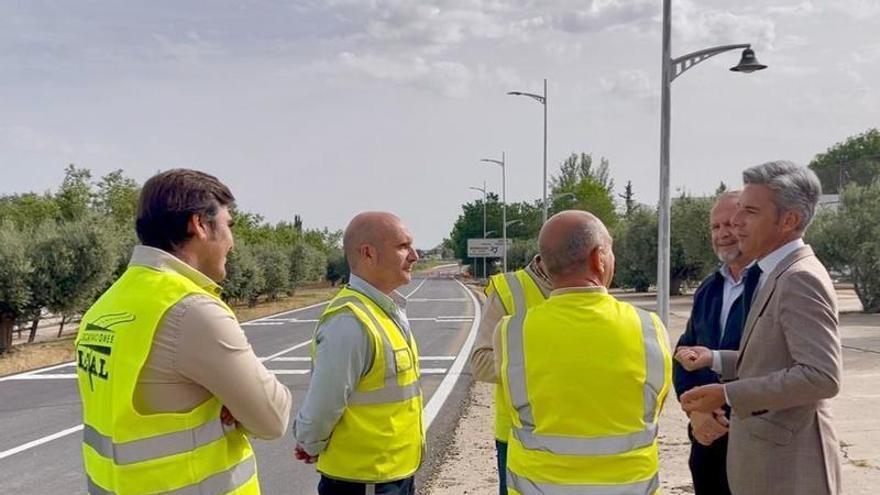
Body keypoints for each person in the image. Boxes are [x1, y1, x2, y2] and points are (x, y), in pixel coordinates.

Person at [75, 169, 292, 495]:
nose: (232, 242)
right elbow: (273, 418)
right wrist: (230, 401)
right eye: (229, 225)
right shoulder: (192, 309)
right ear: (199, 225)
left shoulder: (104, 306)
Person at [678, 161, 842, 495]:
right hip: (763, 465)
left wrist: (726, 393)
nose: (736, 223)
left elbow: (821, 376)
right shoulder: (774, 274)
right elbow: (772, 358)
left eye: (749, 212)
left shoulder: (800, 279)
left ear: (789, 220)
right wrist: (716, 359)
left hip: (789, 471)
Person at [497, 210, 672, 495]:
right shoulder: (648, 328)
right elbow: (654, 407)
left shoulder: (511, 332)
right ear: (598, 258)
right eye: (610, 250)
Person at [293, 211, 423, 495]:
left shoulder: (385, 310)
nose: (414, 255)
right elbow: (324, 403)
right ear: (368, 254)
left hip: (392, 475)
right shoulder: (349, 321)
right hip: (363, 482)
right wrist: (309, 442)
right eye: (403, 246)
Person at [673, 191, 756, 495]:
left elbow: (774, 362)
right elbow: (683, 355)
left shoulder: (773, 285)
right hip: (706, 440)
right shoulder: (709, 288)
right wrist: (696, 412)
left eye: (730, 225)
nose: (722, 234)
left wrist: (722, 410)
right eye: (715, 227)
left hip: (753, 440)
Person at [469, 255, 551, 495]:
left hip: (583, 432)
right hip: (519, 435)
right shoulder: (509, 290)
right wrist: (551, 363)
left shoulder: (590, 289)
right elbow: (481, 363)